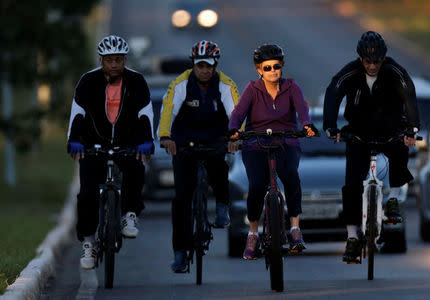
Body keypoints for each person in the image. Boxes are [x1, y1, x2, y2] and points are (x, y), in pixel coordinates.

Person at [323, 31, 420, 263]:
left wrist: (412, 129)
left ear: (384, 58)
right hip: (359, 133)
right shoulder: (350, 72)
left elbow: (409, 94)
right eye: (368, 62)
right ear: (360, 59)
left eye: (377, 61)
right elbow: (333, 92)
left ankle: (394, 198)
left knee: (401, 148)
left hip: (390, 130)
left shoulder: (395, 71)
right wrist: (331, 127)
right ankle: (353, 238)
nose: (373, 66)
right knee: (352, 183)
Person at [67, 35, 154, 270]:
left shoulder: (136, 81)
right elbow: (78, 113)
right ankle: (88, 243)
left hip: (127, 142)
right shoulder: (87, 81)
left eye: (118, 60)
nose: (114, 64)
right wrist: (74, 140)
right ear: (101, 60)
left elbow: (145, 113)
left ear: (125, 60)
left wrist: (146, 140)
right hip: (93, 144)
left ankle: (130, 213)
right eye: (109, 60)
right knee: (86, 194)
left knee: (136, 169)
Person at [228, 44, 318, 260]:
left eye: (277, 66)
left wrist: (307, 125)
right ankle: (253, 234)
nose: (273, 71)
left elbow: (303, 110)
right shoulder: (252, 89)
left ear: (282, 66)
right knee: (257, 185)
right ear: (259, 70)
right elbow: (238, 113)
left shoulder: (292, 87)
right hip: (255, 144)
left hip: (285, 141)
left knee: (291, 176)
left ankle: (295, 229)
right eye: (267, 68)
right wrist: (233, 130)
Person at [158, 40, 240, 273]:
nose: (204, 70)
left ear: (215, 66)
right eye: (200, 65)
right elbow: (168, 110)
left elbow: (236, 111)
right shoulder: (180, 83)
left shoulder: (225, 84)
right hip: (184, 142)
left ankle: (222, 206)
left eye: (209, 66)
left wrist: (236, 137)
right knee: (181, 199)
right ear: (193, 65)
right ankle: (180, 253)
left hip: (215, 139)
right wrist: (166, 137)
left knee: (219, 167)